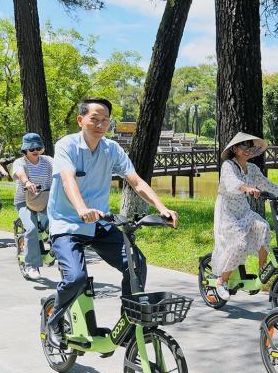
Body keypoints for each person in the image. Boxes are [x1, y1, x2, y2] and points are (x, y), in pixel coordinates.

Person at [45, 98, 178, 347]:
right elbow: (68, 180)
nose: (100, 124)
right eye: (94, 118)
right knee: (75, 278)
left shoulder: (112, 149)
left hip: (99, 222)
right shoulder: (67, 145)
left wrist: (162, 208)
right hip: (67, 223)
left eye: (105, 120)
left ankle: (128, 323)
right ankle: (54, 319)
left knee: (136, 263)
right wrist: (82, 208)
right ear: (81, 119)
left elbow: (136, 181)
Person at [211, 132, 278, 300]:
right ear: (235, 148)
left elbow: (266, 184)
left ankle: (262, 271)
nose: (248, 150)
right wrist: (245, 188)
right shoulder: (228, 166)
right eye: (244, 146)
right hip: (227, 213)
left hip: (243, 210)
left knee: (263, 228)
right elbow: (231, 183)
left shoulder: (252, 169)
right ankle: (221, 281)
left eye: (251, 147)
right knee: (239, 243)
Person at [13, 132, 53, 281]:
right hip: (25, 201)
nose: (35, 150)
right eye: (31, 149)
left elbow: (61, 168)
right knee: (30, 228)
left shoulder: (48, 161)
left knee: (58, 225)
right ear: (25, 150)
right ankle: (31, 265)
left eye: (38, 147)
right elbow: (20, 173)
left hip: (45, 200)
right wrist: (27, 182)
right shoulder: (20, 162)